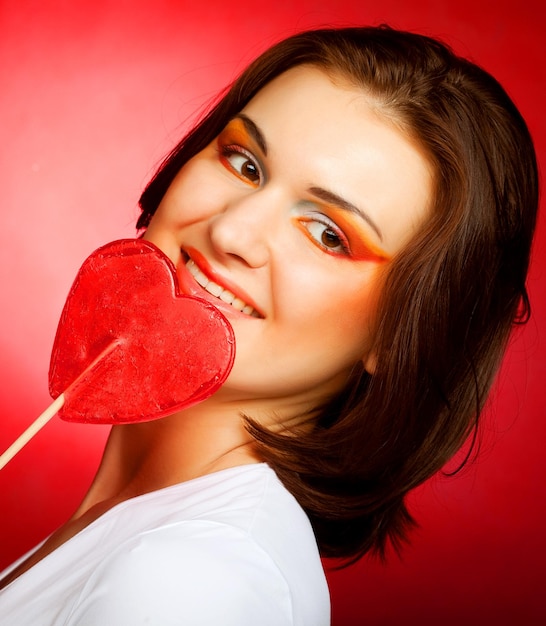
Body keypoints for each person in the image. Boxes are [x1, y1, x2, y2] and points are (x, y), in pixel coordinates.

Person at [0, 25, 538, 625]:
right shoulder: (154, 544)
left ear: (402, 334)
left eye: (329, 235)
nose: (230, 233)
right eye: (245, 163)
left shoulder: (196, 581)